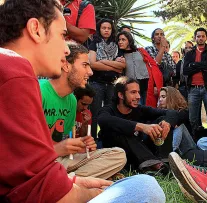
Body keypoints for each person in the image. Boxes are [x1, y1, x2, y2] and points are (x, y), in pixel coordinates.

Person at [0, 1, 165, 202]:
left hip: (50, 173)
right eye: (62, 35)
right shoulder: (15, 73)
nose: (66, 50)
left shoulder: (15, 72)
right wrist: (85, 193)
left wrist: (72, 180)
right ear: (36, 30)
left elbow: (21, 169)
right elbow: (41, 190)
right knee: (146, 187)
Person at [40, 42, 126, 179]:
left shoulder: (72, 101)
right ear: (66, 65)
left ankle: (67, 181)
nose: (90, 72)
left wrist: (79, 146)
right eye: (85, 65)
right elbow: (22, 146)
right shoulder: (39, 90)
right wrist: (61, 148)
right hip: (37, 160)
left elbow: (61, 140)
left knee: (118, 155)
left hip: (60, 160)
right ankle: (70, 181)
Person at [97, 76, 179, 172]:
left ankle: (164, 162)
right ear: (121, 95)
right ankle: (154, 165)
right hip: (118, 157)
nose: (138, 96)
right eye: (133, 92)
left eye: (138, 92)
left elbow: (173, 113)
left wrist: (167, 123)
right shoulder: (108, 110)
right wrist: (140, 126)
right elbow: (103, 120)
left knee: (162, 120)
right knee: (121, 130)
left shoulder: (139, 109)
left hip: (140, 154)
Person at [158, 86, 207, 167]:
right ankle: (169, 155)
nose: (160, 100)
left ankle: (169, 155)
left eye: (163, 97)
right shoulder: (159, 113)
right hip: (176, 149)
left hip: (188, 146)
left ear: (172, 97)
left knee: (179, 127)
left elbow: (177, 119)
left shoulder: (182, 112)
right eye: (159, 97)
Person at [88, 19, 126, 138]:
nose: (106, 30)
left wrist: (103, 62)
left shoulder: (117, 44)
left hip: (112, 84)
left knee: (111, 113)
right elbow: (92, 64)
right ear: (99, 29)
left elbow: (122, 67)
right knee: (95, 113)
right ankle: (93, 141)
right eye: (104, 28)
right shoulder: (95, 43)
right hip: (96, 83)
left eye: (109, 28)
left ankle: (109, 140)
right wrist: (113, 65)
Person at [183, 27, 207, 139]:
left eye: (203, 36)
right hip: (193, 89)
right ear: (195, 38)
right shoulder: (189, 54)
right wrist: (201, 65)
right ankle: (196, 144)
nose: (201, 38)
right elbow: (185, 70)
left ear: (206, 37)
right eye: (198, 36)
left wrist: (193, 65)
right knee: (193, 119)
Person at [117, 31, 163, 107]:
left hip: (146, 84)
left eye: (123, 39)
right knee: (136, 108)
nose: (120, 42)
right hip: (131, 86)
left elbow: (153, 66)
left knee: (149, 107)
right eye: (119, 40)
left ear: (129, 40)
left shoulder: (141, 51)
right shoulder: (120, 55)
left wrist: (155, 85)